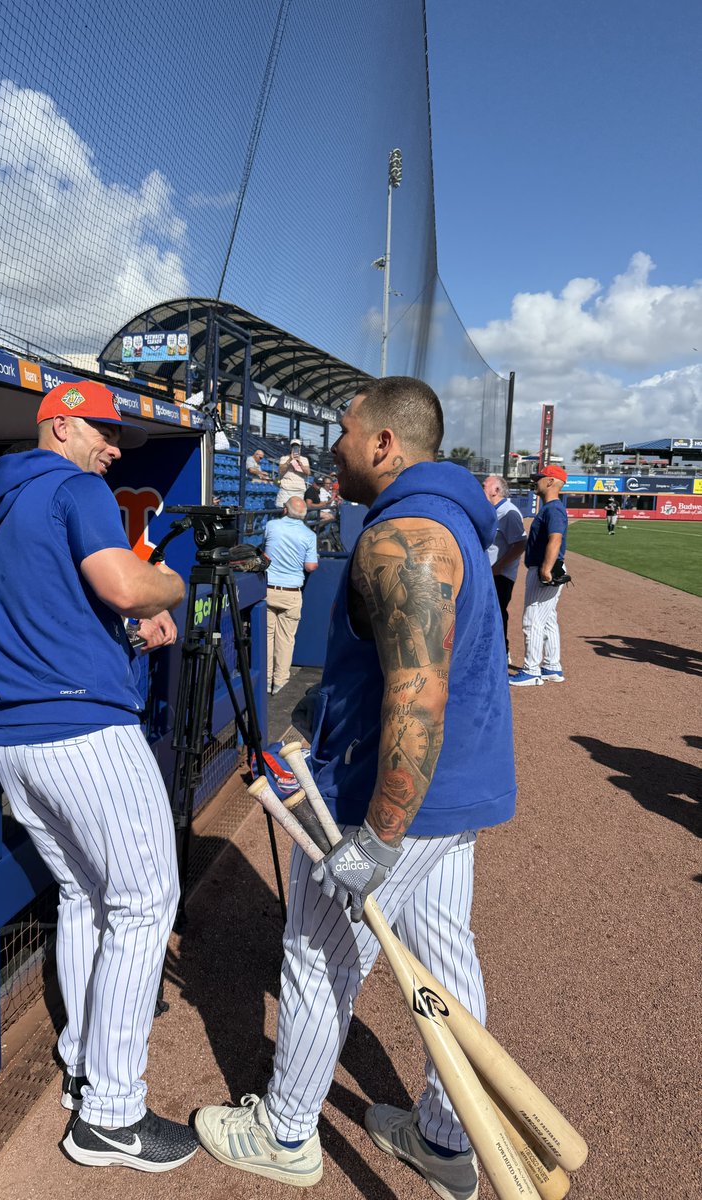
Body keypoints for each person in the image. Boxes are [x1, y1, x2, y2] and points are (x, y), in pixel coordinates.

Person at [194, 376, 515, 1200]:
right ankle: (447, 1139)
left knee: (314, 953)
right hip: (454, 799)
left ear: (384, 444)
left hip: (393, 802)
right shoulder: (449, 521)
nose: (333, 444)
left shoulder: (404, 530)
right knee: (445, 960)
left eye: (343, 430)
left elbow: (417, 690)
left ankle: (286, 1132)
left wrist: (377, 832)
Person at [0, 379, 198, 1172]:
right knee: (144, 903)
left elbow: (53, 621)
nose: (112, 447)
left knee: (83, 897)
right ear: (59, 425)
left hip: (18, 742)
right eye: (101, 430)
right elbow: (126, 587)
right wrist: (169, 587)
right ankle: (110, 1116)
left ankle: (83, 1063)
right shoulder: (73, 487)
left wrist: (126, 638)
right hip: (87, 737)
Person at [510, 464, 569, 687]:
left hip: (546, 568)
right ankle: (552, 666)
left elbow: (555, 538)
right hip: (551, 567)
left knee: (533, 620)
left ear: (551, 482)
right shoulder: (551, 508)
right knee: (548, 620)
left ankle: (531, 670)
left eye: (540, 477)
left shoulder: (553, 509)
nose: (536, 481)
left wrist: (545, 568)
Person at [261, 495, 318, 694]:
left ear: (285, 510)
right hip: (291, 592)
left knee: (267, 638)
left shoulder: (272, 526)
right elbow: (310, 566)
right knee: (285, 640)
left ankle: (265, 681)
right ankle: (280, 683)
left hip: (268, 590)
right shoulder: (309, 535)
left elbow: (264, 552)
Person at [482, 474, 527, 664]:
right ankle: (489, 653)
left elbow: (520, 544)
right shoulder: (490, 510)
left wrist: (499, 567)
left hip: (500, 575)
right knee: (486, 614)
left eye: (484, 485)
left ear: (496, 490)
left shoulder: (509, 512)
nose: (481, 487)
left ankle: (503, 654)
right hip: (489, 573)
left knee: (497, 614)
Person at [275, 437, 311, 507]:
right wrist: (289, 460)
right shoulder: (284, 458)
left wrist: (299, 462)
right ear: (291, 448)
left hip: (299, 490)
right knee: (282, 510)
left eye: (297, 446)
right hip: (286, 490)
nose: (295, 448)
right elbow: (280, 471)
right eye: (293, 446)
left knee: (297, 513)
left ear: (300, 448)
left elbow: (308, 472)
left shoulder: (304, 459)